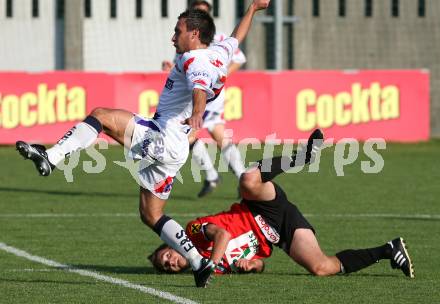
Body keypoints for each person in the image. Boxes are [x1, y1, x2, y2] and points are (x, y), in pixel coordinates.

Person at [15, 0, 271, 288]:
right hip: (174, 150)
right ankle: (199, 264)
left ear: (195, 34)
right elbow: (237, 36)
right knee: (151, 215)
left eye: (178, 31)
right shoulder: (219, 52)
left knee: (101, 116)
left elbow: (199, 86)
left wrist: (198, 113)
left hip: (163, 137)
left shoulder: (194, 60)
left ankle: (51, 158)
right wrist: (252, 9)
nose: (173, 37)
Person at [148, 129, 415, 279]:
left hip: (260, 208)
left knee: (248, 180)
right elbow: (260, 263)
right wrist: (252, 266)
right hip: (278, 230)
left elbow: (223, 234)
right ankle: (388, 250)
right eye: (167, 266)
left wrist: (208, 264)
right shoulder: (210, 267)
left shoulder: (194, 232)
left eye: (166, 256)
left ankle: (303, 157)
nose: (170, 262)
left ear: (173, 243)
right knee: (322, 268)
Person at [163, 0, 247, 198]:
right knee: (218, 136)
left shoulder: (217, 38)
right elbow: (186, 67)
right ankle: (244, 179)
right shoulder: (186, 37)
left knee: (187, 136)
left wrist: (218, 76)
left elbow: (239, 59)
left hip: (207, 96)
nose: (199, 13)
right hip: (195, 95)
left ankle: (214, 176)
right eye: (196, 10)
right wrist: (171, 68)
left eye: (203, 11)